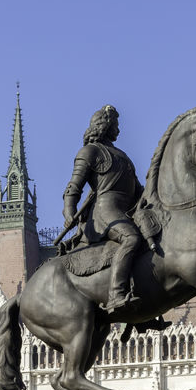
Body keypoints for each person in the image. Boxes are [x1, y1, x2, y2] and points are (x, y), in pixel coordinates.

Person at [63, 105, 147, 315]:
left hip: (126, 211)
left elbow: (138, 190)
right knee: (131, 239)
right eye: (116, 123)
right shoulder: (89, 152)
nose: (118, 128)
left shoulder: (122, 156)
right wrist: (69, 212)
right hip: (104, 213)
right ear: (105, 124)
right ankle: (116, 294)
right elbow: (73, 188)